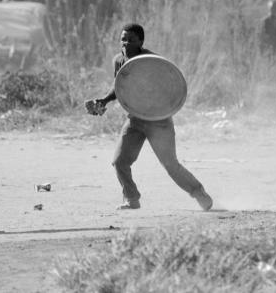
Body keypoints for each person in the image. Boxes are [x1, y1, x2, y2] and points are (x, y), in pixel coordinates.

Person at [88, 23, 214, 211]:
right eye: (123, 39)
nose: (126, 43)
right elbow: (119, 86)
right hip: (135, 119)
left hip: (159, 121)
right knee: (120, 162)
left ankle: (199, 193)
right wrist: (104, 101)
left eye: (131, 40)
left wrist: (163, 109)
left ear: (140, 42)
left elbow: (170, 84)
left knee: (170, 165)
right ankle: (131, 198)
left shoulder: (151, 61)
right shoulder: (119, 61)